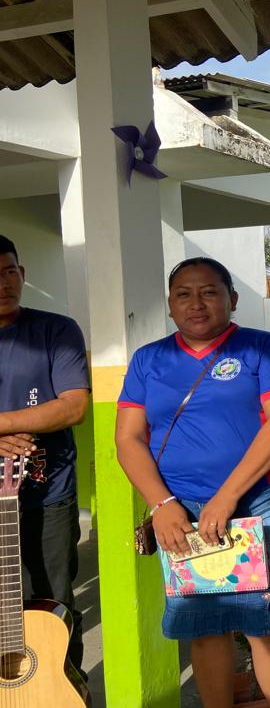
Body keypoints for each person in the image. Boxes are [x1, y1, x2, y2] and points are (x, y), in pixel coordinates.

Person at [115, 257, 270, 708]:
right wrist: (162, 505)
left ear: (232, 299)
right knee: (204, 626)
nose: (196, 303)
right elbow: (128, 437)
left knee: (266, 623)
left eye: (209, 291)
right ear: (170, 304)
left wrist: (227, 497)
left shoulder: (262, 347)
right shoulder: (148, 360)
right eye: (184, 294)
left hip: (257, 503)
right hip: (181, 513)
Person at [0, 234, 90, 678]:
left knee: (53, 603)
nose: (3, 284)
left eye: (9, 271)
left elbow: (74, 406)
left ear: (23, 274)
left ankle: (65, 688)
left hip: (47, 495)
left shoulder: (56, 330)